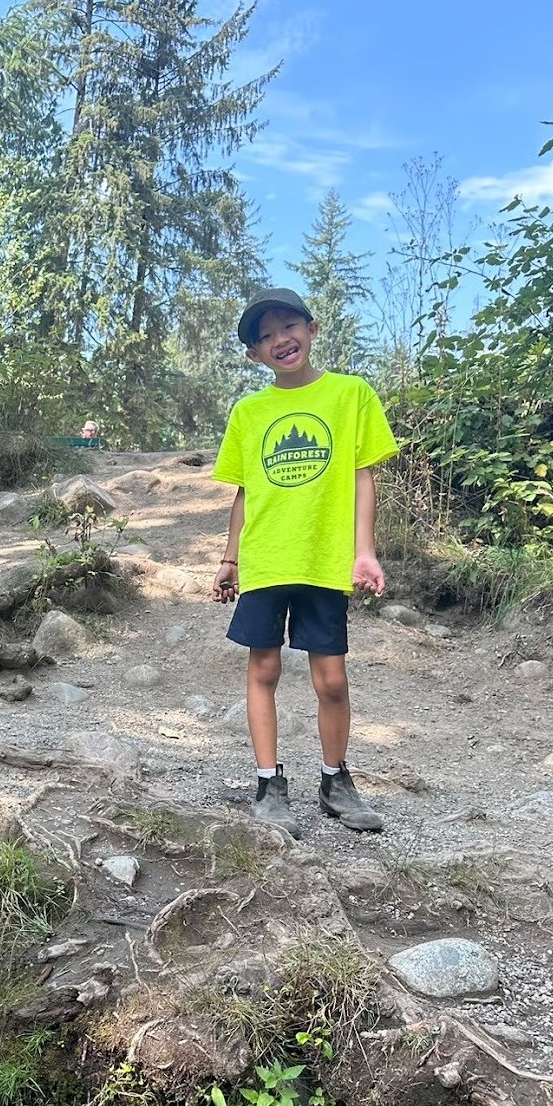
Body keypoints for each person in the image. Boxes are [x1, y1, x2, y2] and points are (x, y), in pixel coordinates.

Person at [210, 288, 399, 838]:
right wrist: (230, 557)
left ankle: (335, 781)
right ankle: (269, 785)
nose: (278, 340)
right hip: (268, 557)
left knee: (332, 679)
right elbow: (245, 491)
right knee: (263, 670)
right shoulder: (249, 411)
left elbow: (364, 475)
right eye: (264, 337)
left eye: (287, 327)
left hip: (324, 557)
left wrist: (364, 550)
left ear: (312, 329)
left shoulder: (350, 395)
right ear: (254, 355)